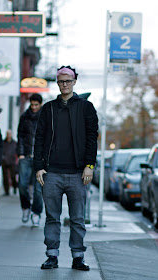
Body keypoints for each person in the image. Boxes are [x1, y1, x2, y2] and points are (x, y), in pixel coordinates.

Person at [34, 66, 99, 271]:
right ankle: (51, 256)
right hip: (51, 173)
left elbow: (91, 139)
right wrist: (39, 167)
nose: (64, 84)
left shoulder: (86, 107)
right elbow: (39, 139)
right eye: (61, 81)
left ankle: (78, 257)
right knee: (52, 217)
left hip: (78, 174)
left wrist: (89, 166)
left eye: (68, 81)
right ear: (57, 83)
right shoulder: (48, 108)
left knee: (77, 218)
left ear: (74, 82)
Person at [17, 93, 43, 226]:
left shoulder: (46, 117)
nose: (33, 107)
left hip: (40, 158)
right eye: (32, 104)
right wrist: (20, 153)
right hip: (26, 156)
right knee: (22, 184)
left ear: (40, 104)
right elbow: (20, 135)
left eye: (36, 105)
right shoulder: (24, 117)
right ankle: (26, 208)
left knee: (39, 188)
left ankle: (36, 212)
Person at [2, 130, 18, 196]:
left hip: (12, 161)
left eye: (9, 134)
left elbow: (17, 152)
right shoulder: (3, 142)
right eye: (7, 134)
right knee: (5, 177)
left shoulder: (14, 143)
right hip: (4, 161)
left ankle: (14, 187)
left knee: (13, 176)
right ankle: (6, 191)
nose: (8, 135)